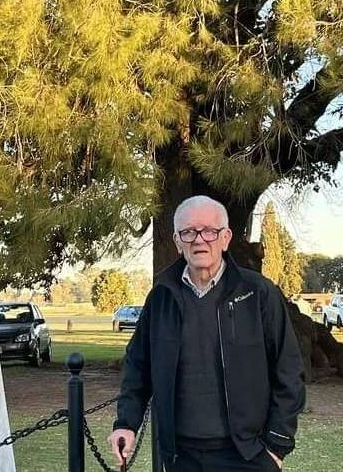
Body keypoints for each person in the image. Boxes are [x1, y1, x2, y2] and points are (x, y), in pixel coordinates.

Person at [108, 195, 305, 471]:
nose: (200, 240)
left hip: (248, 455)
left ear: (225, 238)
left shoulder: (258, 293)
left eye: (210, 231)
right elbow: (138, 366)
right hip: (181, 457)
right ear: (177, 242)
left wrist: (276, 446)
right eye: (188, 232)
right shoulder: (161, 297)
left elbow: (289, 370)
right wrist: (126, 424)